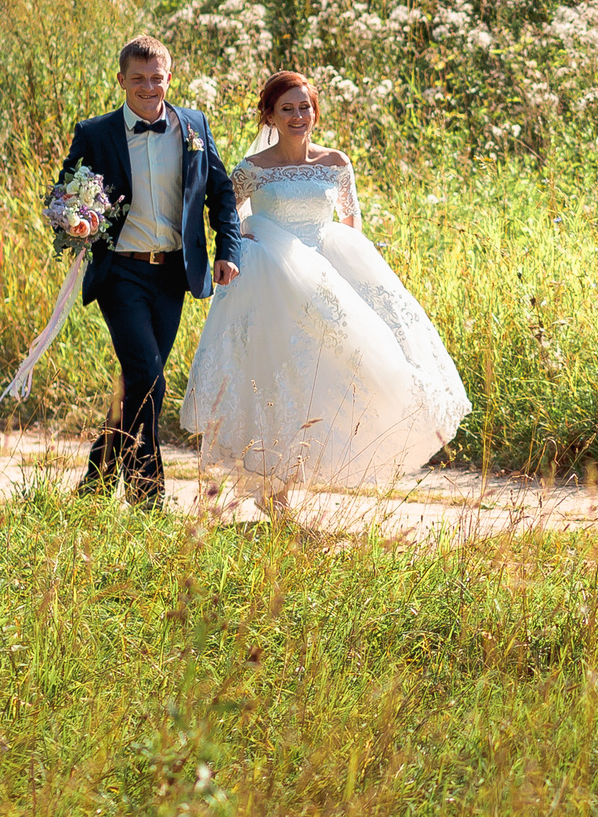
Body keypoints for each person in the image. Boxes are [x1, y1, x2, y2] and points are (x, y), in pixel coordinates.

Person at [179, 71, 471, 509]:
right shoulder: (251, 170)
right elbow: (229, 222)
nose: (298, 116)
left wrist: (347, 269)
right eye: (287, 109)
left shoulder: (335, 163)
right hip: (273, 283)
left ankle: (305, 469)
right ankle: (271, 492)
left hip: (326, 273)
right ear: (270, 116)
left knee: (342, 370)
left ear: (315, 112)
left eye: (305, 108)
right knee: (277, 375)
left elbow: (351, 222)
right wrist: (249, 244)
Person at [52, 36, 241, 506]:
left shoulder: (193, 125)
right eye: (138, 78)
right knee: (150, 379)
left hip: (173, 276)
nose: (148, 86)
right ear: (121, 80)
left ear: (169, 78)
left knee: (139, 384)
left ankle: (95, 486)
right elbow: (64, 194)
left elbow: (220, 192)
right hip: (121, 274)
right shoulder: (96, 133)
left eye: (157, 77)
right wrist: (74, 218)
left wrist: (228, 248)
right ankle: (147, 499)